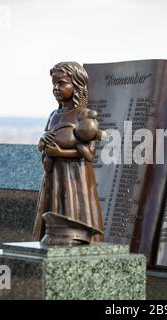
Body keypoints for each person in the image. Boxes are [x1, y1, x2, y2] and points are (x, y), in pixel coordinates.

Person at [33, 61, 104, 245]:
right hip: (54, 176)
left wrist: (60, 152)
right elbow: (44, 139)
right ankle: (53, 235)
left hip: (75, 178)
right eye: (54, 84)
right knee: (54, 206)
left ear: (77, 85)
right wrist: (44, 142)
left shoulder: (84, 115)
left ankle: (77, 237)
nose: (56, 88)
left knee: (73, 207)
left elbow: (88, 155)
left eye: (61, 83)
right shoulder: (53, 115)